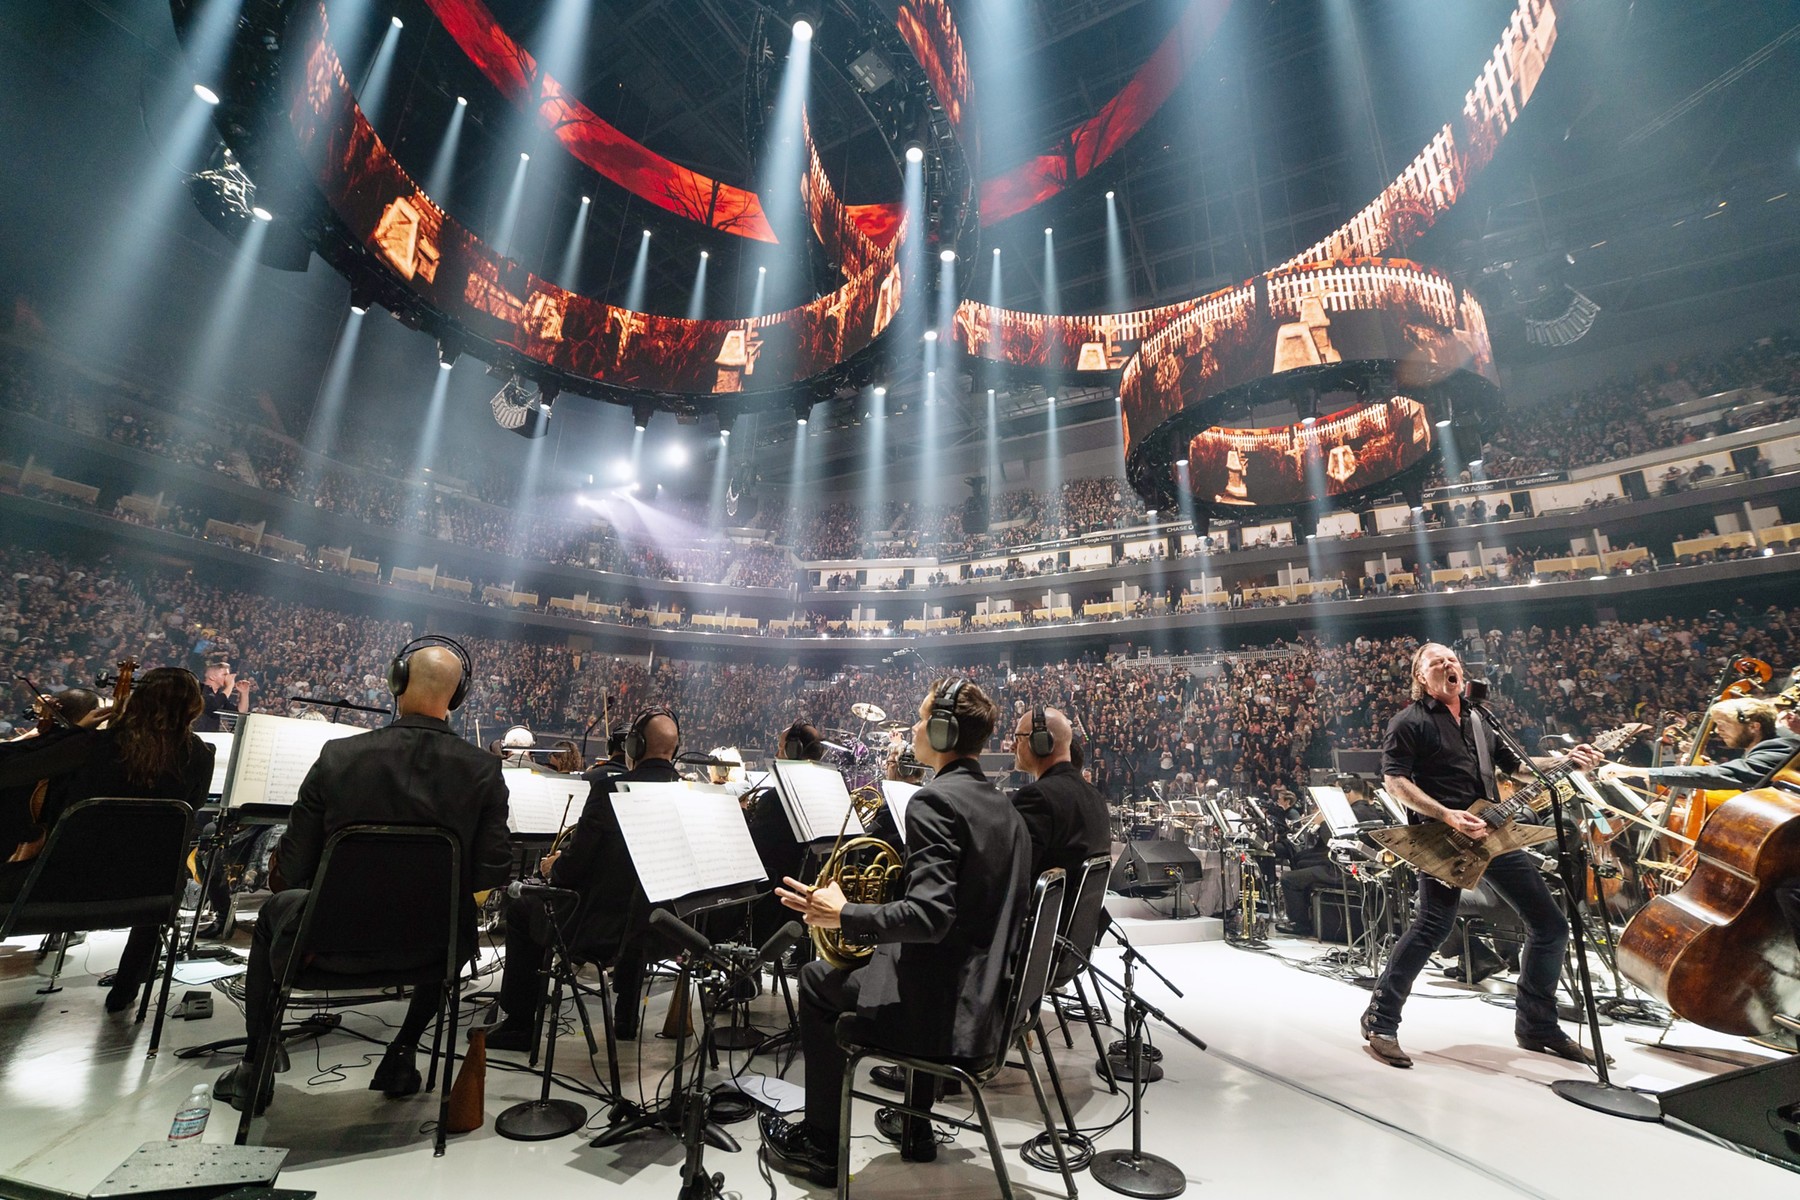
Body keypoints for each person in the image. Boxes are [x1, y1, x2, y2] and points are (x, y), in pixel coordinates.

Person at [212, 643, 510, 1113]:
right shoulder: (484, 770)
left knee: (273, 913)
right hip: (432, 952)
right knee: (455, 913)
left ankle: (256, 1063)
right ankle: (402, 1051)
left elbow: (288, 874)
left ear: (396, 682)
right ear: (458, 697)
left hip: (325, 946)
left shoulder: (338, 757)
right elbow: (491, 873)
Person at [759, 679, 1032, 1183]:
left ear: (945, 731)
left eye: (924, 718)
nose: (913, 727)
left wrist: (843, 913)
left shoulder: (933, 803)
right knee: (880, 966)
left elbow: (928, 917)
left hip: (943, 1017)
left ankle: (821, 1146)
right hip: (987, 1005)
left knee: (819, 980)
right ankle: (916, 1128)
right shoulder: (1007, 809)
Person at [1360, 643, 1604, 1069]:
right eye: (1437, 662)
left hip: (1493, 836)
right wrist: (1446, 815)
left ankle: (1537, 1026)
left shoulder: (1479, 718)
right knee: (1432, 927)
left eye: (1452, 660)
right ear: (1421, 677)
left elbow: (1521, 767)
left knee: (1550, 926)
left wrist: (1566, 760)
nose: (1448, 665)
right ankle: (1379, 1019)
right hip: (1443, 841)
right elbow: (1395, 781)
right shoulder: (1409, 722)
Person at [0, 668, 211, 1014]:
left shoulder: (95, 745)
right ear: (193, 709)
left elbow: (7, 769)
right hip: (148, 896)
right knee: (163, 863)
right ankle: (126, 989)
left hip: (55, 887)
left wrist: (75, 731)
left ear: (137, 701)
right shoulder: (199, 757)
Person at [486, 707, 682, 1051]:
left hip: (596, 931)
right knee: (635, 908)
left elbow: (572, 871)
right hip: (661, 931)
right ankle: (625, 1019)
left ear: (634, 746)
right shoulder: (688, 797)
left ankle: (519, 1024)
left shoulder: (610, 791)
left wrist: (553, 867)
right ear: (675, 750)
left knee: (520, 908)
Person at [1596, 697, 1799, 794]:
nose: (1718, 731)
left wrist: (1635, 771)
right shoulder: (1769, 744)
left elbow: (1729, 775)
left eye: (1723, 725)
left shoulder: (1782, 746)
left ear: (1754, 726)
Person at [1009, 706, 1110, 879]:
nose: (1012, 747)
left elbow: (1013, 876)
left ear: (1041, 741)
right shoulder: (1094, 795)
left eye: (1018, 738)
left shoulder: (1036, 797)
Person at [196, 655, 251, 733]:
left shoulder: (219, 696)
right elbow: (213, 705)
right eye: (224, 675)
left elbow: (241, 711)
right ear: (212, 677)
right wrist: (229, 686)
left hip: (210, 737)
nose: (227, 678)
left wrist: (244, 693)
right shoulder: (199, 690)